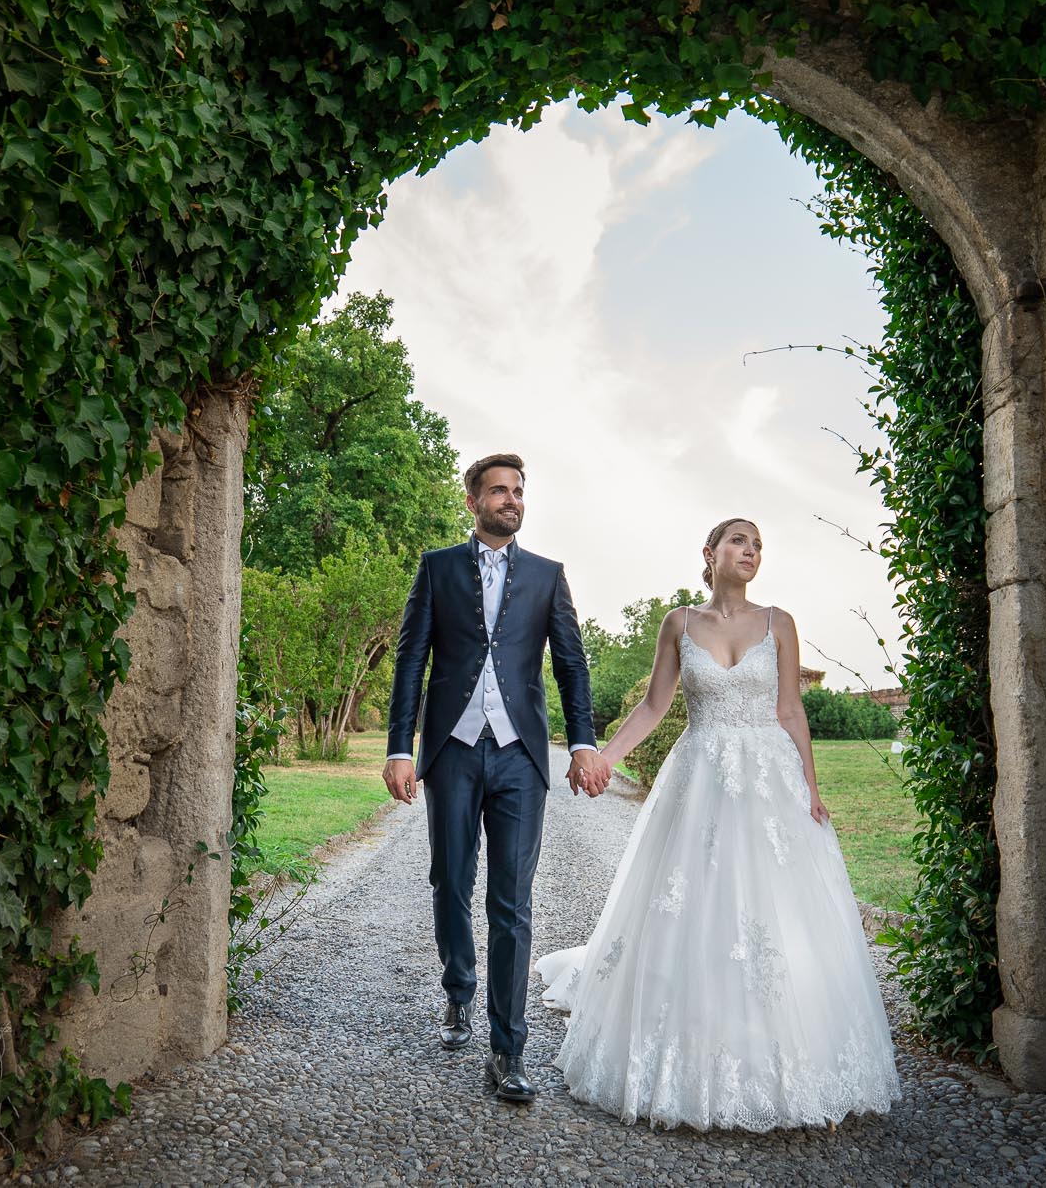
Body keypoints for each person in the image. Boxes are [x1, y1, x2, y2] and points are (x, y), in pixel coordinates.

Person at [533, 518, 902, 1130]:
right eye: (739, 540)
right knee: (693, 901)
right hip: (699, 774)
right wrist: (603, 758)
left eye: (758, 544)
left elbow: (791, 710)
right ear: (709, 553)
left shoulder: (779, 623)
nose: (751, 550)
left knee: (775, 908)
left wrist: (811, 789)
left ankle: (795, 1060)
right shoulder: (679, 623)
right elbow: (655, 705)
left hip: (769, 781)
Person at [382, 453, 608, 1104]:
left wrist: (583, 742)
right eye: (499, 490)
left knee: (511, 900)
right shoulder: (436, 568)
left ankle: (508, 1048)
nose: (511, 499)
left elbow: (571, 664)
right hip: (452, 750)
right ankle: (458, 989)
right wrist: (400, 748)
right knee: (451, 879)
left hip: (519, 756)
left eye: (518, 491)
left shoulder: (547, 575)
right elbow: (410, 661)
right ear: (474, 501)